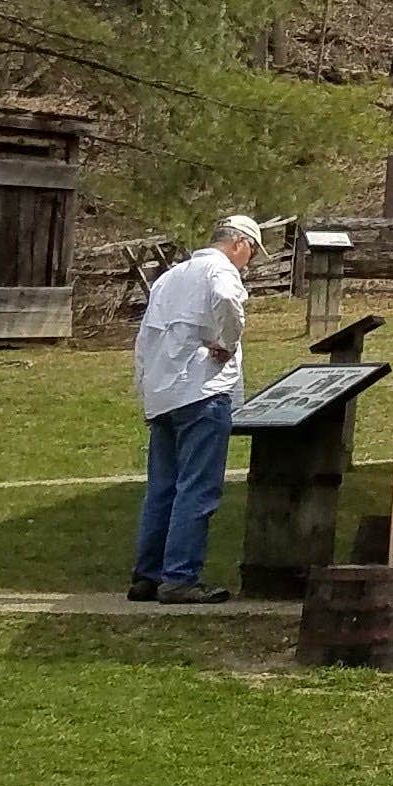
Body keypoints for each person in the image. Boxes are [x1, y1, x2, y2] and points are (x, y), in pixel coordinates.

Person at [130, 213, 262, 604]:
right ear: (238, 243)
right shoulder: (219, 271)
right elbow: (226, 300)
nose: (249, 262)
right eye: (251, 252)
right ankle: (181, 577)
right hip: (202, 390)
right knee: (198, 488)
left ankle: (147, 575)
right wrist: (227, 339)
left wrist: (147, 389)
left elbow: (144, 340)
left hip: (163, 393)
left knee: (162, 489)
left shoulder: (170, 278)